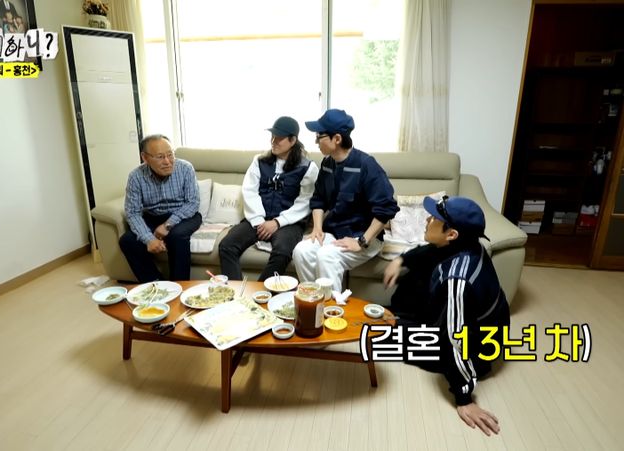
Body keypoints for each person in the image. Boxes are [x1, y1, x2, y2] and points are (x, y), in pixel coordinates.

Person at [382, 195, 509, 436]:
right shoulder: (468, 245)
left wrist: (464, 398)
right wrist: (401, 259)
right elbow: (430, 252)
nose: (427, 219)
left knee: (377, 334)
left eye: (434, 218)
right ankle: (399, 320)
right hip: (465, 324)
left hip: (476, 350)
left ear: (451, 234)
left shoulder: (457, 281)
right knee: (406, 285)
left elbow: (456, 338)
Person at [292, 109, 399, 292]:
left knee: (326, 256)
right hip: (335, 232)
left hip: (365, 236)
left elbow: (386, 209)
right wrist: (317, 228)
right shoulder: (327, 164)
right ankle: (313, 300)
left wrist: (361, 241)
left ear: (337, 139)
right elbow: (318, 199)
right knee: (301, 251)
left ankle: (332, 307)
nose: (316, 141)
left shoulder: (366, 165)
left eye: (319, 136)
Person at [218, 116, 319, 281]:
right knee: (226, 246)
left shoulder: (307, 167)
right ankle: (236, 292)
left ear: (293, 140)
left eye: (279, 138)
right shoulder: (259, 161)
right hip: (258, 218)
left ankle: (260, 293)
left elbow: (305, 201)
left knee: (283, 252)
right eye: (272, 136)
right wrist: (259, 221)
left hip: (289, 223)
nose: (273, 141)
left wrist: (278, 222)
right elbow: (250, 191)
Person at [119, 134, 202, 282]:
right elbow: (132, 213)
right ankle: (156, 283)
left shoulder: (185, 168)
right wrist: (149, 238)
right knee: (127, 240)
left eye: (170, 155)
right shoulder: (136, 177)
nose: (167, 161)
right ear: (145, 158)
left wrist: (167, 225)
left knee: (176, 236)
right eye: (160, 157)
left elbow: (192, 203)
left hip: (184, 215)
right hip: (153, 216)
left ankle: (180, 285)